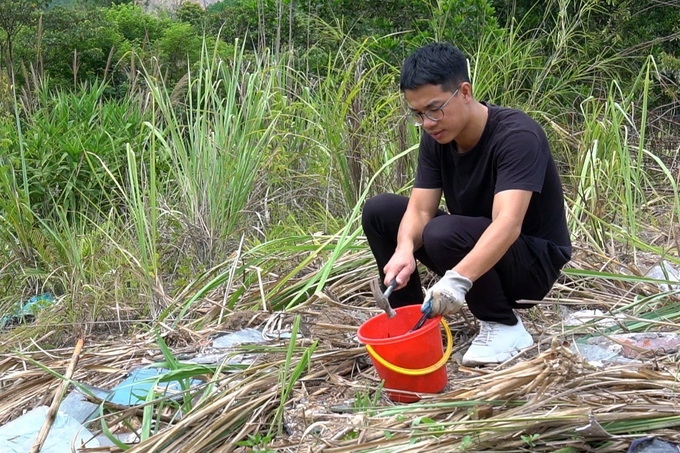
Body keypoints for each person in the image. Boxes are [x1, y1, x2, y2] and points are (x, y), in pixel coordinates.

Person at [361, 42, 572, 366]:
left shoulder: (517, 135)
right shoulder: (437, 137)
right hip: (470, 244)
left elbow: (508, 223)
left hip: (529, 264)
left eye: (434, 109)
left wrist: (456, 281)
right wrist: (403, 249)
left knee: (442, 232)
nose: (428, 122)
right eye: (418, 114)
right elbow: (419, 209)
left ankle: (504, 327)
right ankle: (412, 324)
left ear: (464, 91)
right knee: (381, 211)